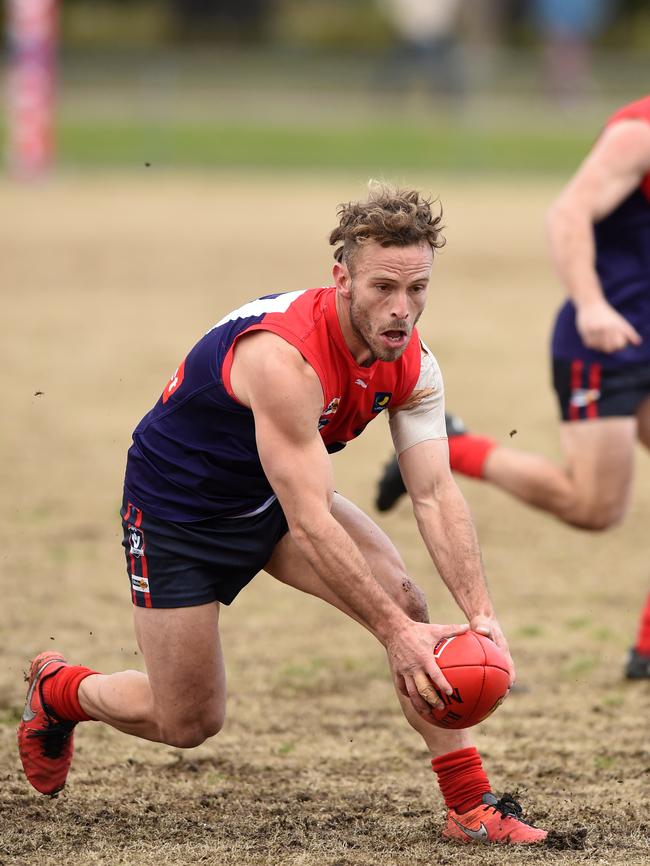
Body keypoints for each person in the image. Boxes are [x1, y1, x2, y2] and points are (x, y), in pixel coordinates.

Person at [18, 184, 547, 845]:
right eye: (383, 287)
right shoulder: (285, 358)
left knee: (407, 601)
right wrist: (394, 636)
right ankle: (62, 691)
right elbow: (311, 522)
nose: (401, 310)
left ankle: (469, 806)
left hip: (268, 498)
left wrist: (480, 615)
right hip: (178, 514)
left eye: (417, 290)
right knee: (186, 722)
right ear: (342, 278)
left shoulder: (412, 364)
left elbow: (435, 492)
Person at [375, 95, 650, 679]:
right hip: (609, 340)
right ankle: (456, 447)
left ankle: (648, 649)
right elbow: (568, 215)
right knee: (594, 508)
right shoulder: (640, 131)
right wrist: (592, 305)